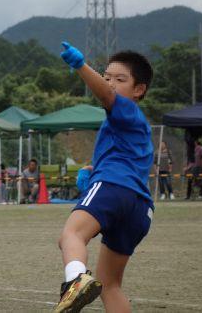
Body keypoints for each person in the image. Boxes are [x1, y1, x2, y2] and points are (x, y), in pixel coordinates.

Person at [54, 43, 154, 313]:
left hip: (113, 188)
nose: (109, 83)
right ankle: (81, 281)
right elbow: (127, 162)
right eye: (106, 76)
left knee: (71, 235)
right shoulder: (136, 125)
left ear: (139, 89)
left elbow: (108, 96)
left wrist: (80, 66)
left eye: (119, 79)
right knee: (110, 284)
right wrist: (91, 170)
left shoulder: (125, 110)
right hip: (140, 208)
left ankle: (75, 280)